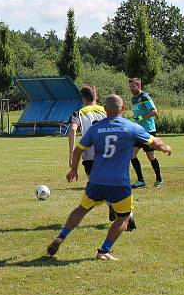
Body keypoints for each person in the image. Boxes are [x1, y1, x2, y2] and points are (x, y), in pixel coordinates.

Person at [46, 94, 171, 261]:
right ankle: (104, 250)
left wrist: (74, 170)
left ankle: (62, 236)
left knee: (82, 209)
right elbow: (154, 142)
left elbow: (78, 151)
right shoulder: (130, 127)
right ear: (123, 108)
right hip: (119, 183)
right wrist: (165, 147)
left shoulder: (95, 129)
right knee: (124, 217)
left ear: (105, 110)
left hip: (96, 180)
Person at [67, 86, 119, 224]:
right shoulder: (105, 110)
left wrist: (72, 153)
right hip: (108, 150)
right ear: (95, 97)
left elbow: (72, 130)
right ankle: (116, 204)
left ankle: (112, 204)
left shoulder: (79, 112)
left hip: (90, 153)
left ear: (83, 98)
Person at [128, 77, 163, 188]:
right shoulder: (133, 99)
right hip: (137, 131)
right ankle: (141, 181)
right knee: (132, 154)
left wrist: (140, 117)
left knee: (150, 156)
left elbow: (154, 112)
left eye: (133, 86)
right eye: (130, 87)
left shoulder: (144, 96)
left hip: (148, 131)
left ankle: (159, 179)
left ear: (139, 86)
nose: (131, 89)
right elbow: (136, 115)